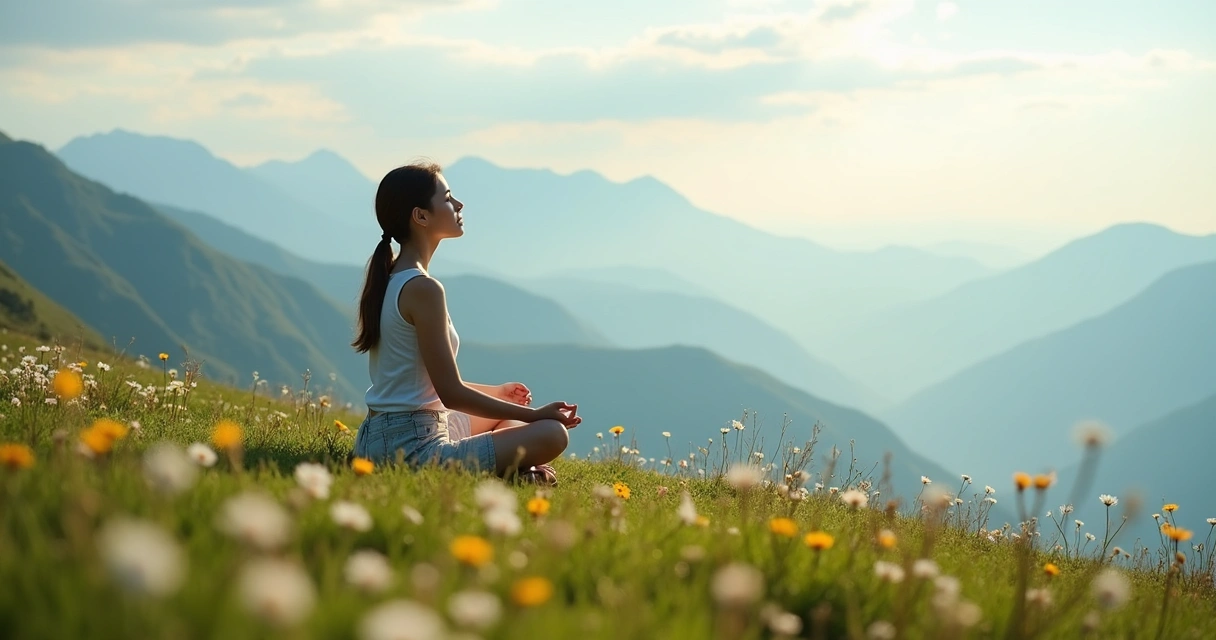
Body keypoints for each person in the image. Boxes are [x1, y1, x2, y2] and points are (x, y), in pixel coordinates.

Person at [350, 162, 580, 485]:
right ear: (421, 216)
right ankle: (519, 472)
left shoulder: (392, 277)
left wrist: (499, 394)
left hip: (379, 436)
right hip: (412, 449)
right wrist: (536, 413)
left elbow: (430, 385)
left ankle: (520, 471)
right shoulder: (423, 289)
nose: (458, 205)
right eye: (447, 198)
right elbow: (450, 393)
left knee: (504, 408)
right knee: (553, 433)